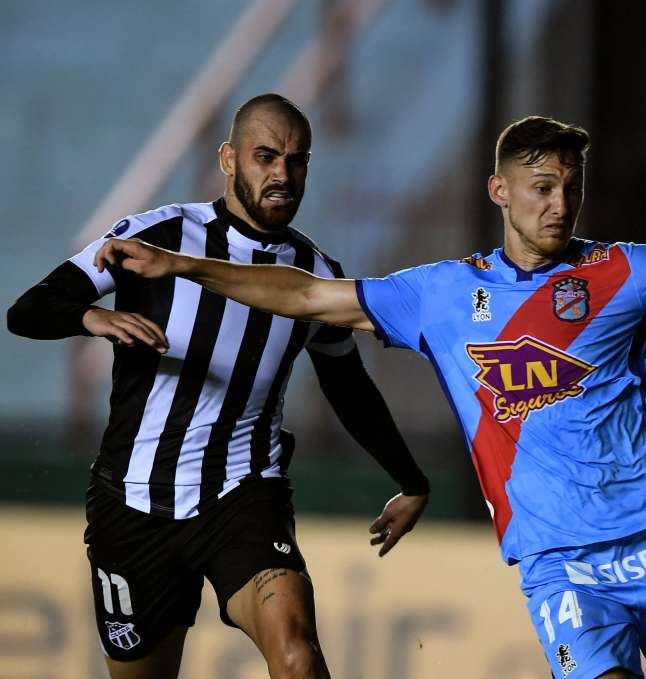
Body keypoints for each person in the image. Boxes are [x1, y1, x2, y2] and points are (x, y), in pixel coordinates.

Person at [92, 115, 646, 679]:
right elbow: (306, 296)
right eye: (540, 186)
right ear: (500, 191)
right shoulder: (442, 294)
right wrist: (185, 267)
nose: (559, 202)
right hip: (563, 567)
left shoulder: (631, 272)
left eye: (570, 186)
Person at [6, 93, 430, 679]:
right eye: (266, 157)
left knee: (297, 655)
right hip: (132, 502)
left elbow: (347, 384)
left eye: (297, 160)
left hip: (243, 497)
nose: (282, 174)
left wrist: (410, 481)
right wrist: (90, 317)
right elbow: (28, 310)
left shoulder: (316, 276)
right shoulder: (157, 235)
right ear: (229, 159)